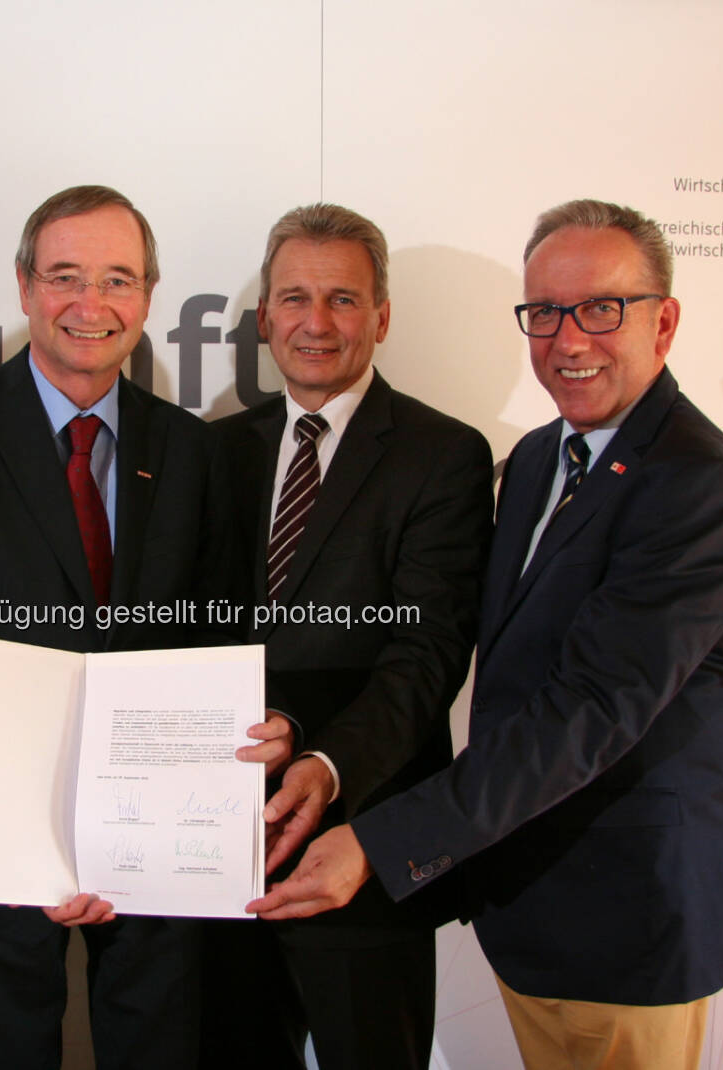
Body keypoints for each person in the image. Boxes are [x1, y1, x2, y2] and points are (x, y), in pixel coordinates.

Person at [250, 199, 723, 1070]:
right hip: (530, 901)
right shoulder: (537, 459)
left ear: (665, 320)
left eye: (602, 308)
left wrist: (379, 840)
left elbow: (592, 708)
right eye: (546, 313)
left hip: (632, 915)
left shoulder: (698, 486)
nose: (569, 339)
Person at [0, 185, 237, 1070]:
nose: (92, 304)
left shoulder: (191, 449)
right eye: (65, 276)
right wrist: (30, 841)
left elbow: (213, 644)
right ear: (24, 285)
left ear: (149, 296)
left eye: (118, 279)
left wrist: (143, 827)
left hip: (156, 851)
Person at [204, 204, 493, 1069]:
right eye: (294, 298)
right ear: (265, 320)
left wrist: (326, 766)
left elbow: (426, 654)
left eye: (342, 299)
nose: (316, 323)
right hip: (215, 849)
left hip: (361, 847)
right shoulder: (214, 452)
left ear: (382, 317)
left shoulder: (443, 456)